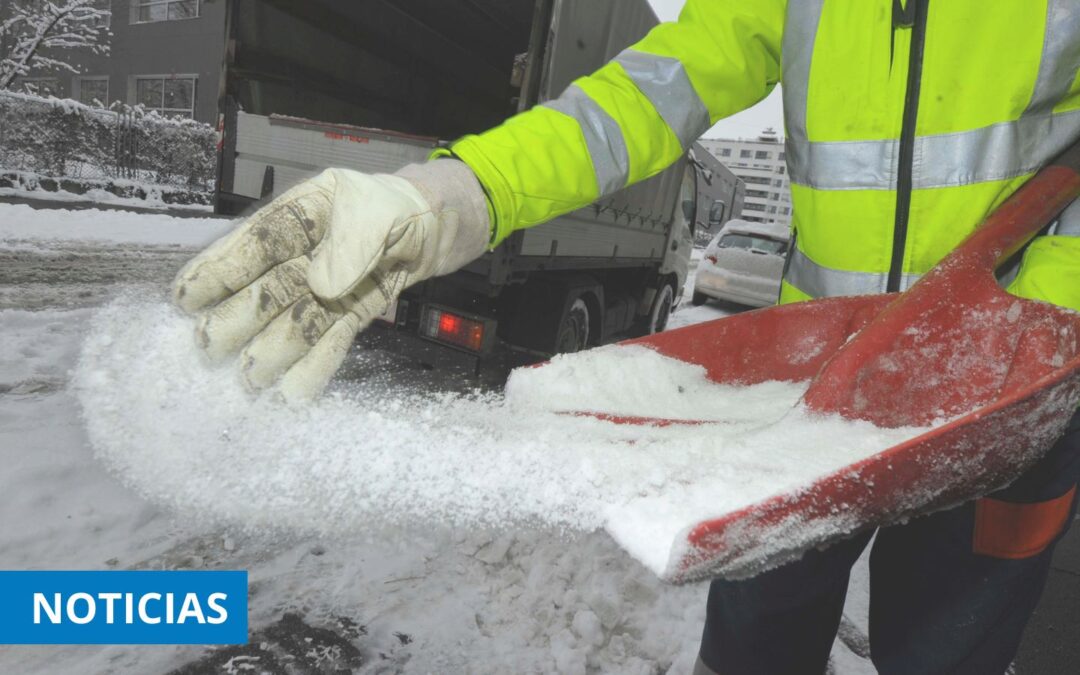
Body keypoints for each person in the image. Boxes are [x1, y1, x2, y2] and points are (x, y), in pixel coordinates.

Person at [173, 1, 1080, 672]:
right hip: (814, 400)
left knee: (947, 657)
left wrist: (1037, 314)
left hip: (1016, 394)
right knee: (754, 645)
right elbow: (641, 99)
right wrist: (455, 194)